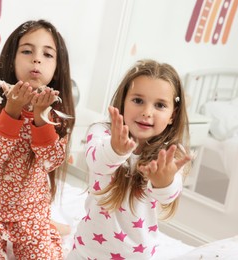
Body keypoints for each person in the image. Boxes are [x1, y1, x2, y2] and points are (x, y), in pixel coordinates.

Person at [0, 19, 75, 259]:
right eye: (27, 51)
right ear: (11, 59)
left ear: (58, 67)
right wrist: (12, 110)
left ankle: (49, 226)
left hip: (31, 212)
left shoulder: (56, 107)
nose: (37, 59)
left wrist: (40, 118)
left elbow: (51, 161)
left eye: (47, 54)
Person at [66, 59, 192, 259]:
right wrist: (115, 149)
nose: (147, 112)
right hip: (86, 251)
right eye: (138, 100)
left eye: (159, 105)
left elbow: (168, 196)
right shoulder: (102, 132)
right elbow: (96, 162)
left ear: (172, 116)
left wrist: (163, 182)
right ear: (123, 102)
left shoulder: (171, 153)